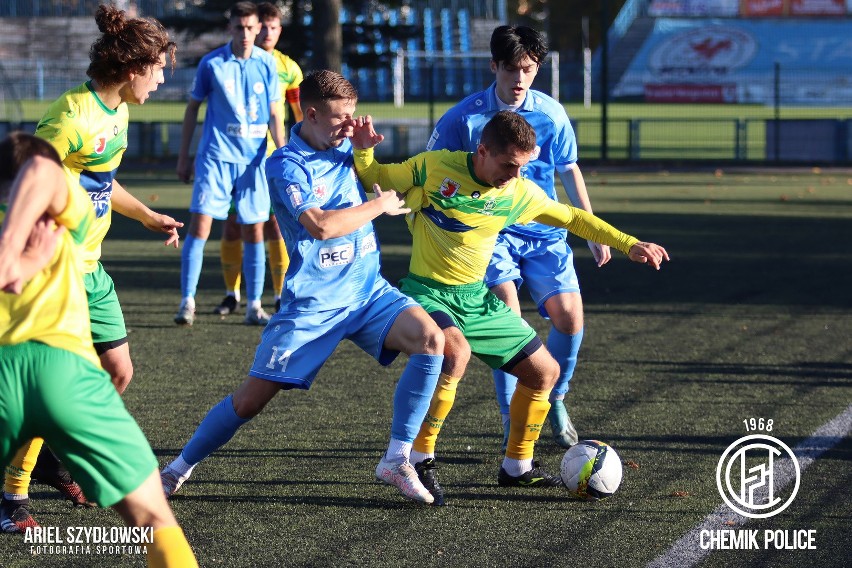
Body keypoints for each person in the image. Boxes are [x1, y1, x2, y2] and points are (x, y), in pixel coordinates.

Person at [351, 110, 669, 505]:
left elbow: (572, 218)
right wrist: (363, 152)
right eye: (508, 165)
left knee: (544, 371)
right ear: (482, 150)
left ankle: (517, 468)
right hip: (427, 291)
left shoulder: (517, 192)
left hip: (476, 298)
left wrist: (628, 243)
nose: (514, 175)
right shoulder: (435, 167)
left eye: (521, 167)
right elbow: (376, 177)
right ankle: (419, 458)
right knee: (455, 353)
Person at [160, 70, 446, 505]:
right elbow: (321, 226)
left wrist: (366, 153)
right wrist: (378, 205)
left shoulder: (348, 146)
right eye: (339, 118)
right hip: (314, 304)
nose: (348, 126)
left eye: (352, 116)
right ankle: (177, 469)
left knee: (432, 340)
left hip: (367, 292)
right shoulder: (284, 164)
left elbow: (381, 176)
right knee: (250, 402)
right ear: (310, 114)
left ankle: (396, 458)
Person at [1, 4, 182, 532]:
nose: (163, 78)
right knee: (56, 388)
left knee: (118, 373)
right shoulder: (68, 116)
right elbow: (31, 181)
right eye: (159, 68)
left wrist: (146, 215)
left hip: (93, 269)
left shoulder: (117, 112)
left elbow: (102, 182)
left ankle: (51, 460)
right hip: (59, 277)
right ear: (133, 70)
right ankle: (11, 499)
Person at [0, 132, 198, 567]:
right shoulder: (70, 216)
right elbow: (42, 170)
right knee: (152, 516)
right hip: (65, 372)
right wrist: (16, 254)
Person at [427, 25, 604, 450]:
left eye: (528, 69)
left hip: (545, 234)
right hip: (489, 234)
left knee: (570, 318)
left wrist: (590, 227)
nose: (520, 79)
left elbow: (568, 169)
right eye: (511, 69)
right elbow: (430, 167)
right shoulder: (462, 118)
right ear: (494, 67)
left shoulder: (552, 114)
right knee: (509, 315)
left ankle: (554, 396)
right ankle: (511, 421)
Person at [174, 1, 286, 326]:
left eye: (252, 27)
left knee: (255, 230)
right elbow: (192, 109)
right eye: (241, 27)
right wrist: (184, 156)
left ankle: (254, 306)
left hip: (253, 162)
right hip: (216, 159)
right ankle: (187, 302)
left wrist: (283, 154)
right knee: (201, 226)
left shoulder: (267, 64)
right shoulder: (212, 64)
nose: (248, 33)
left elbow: (276, 116)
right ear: (230, 28)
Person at [215, 1, 305, 317]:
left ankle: (279, 294)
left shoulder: (288, 68)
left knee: (274, 225)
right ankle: (232, 294)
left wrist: (295, 151)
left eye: (273, 26)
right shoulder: (236, 60)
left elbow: (298, 116)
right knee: (232, 224)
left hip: (269, 158)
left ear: (280, 30)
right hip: (237, 156)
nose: (267, 32)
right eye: (262, 26)